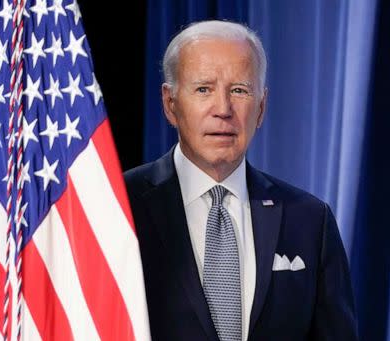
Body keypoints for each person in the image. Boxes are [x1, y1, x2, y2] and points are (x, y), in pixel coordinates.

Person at [124, 20, 357, 341]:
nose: (223, 109)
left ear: (261, 107)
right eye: (204, 88)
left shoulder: (309, 220)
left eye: (239, 90)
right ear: (170, 103)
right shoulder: (120, 207)